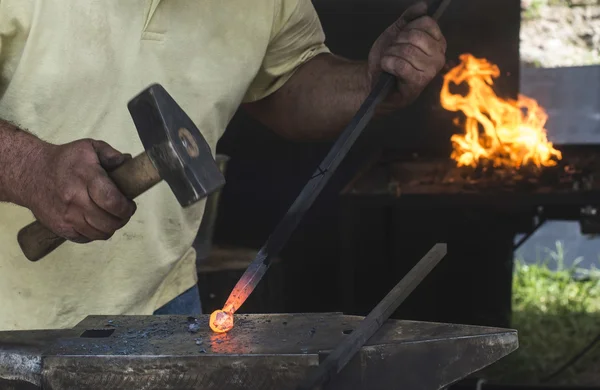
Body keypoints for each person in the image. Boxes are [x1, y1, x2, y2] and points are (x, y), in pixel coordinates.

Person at [0, 0, 446, 331]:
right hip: (12, 313)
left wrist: (370, 84)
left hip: (161, 302)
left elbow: (285, 79)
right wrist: (30, 168)